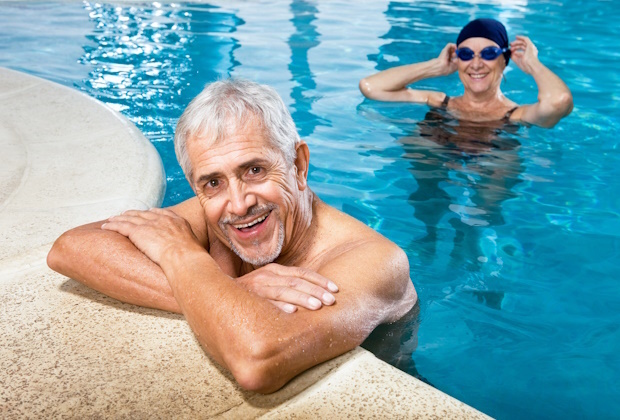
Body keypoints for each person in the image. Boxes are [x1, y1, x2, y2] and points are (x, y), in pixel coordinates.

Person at [47, 78, 418, 394]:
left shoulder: (374, 259)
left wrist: (183, 257)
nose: (238, 205)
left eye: (255, 170)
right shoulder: (218, 214)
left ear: (299, 165)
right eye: (212, 182)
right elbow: (71, 249)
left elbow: (257, 359)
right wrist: (234, 290)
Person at [359, 18, 573, 128]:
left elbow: (558, 102)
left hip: (492, 166)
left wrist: (533, 64)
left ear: (504, 61)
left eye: (489, 53)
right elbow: (370, 87)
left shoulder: (517, 115)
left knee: (488, 204)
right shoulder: (438, 101)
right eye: (466, 54)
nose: (476, 63)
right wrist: (435, 67)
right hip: (433, 167)